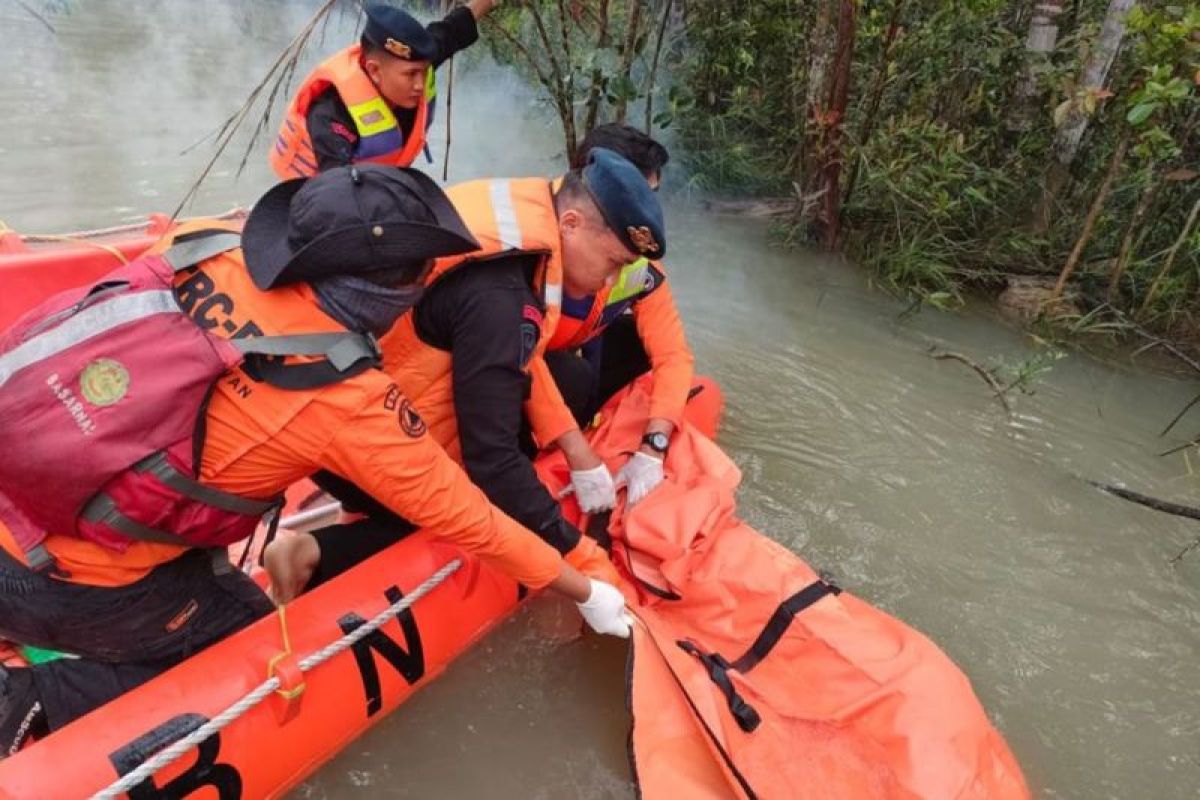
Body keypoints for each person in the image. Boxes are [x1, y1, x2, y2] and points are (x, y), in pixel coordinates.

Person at [0, 165, 631, 758]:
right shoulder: (342, 398)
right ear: (386, 299)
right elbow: (474, 519)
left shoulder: (205, 243)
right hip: (55, 575)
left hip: (26, 480)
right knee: (247, 650)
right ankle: (24, 704)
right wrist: (582, 585)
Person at [264, 148, 666, 595]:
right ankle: (313, 554)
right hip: (352, 429)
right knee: (466, 506)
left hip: (331, 386)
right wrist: (583, 561)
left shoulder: (516, 218)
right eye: (612, 263)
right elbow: (492, 461)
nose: (610, 283)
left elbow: (520, 356)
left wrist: (574, 448)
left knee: (565, 381)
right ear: (570, 223)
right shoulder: (501, 294)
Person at [533, 124, 693, 508]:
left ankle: (590, 428)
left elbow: (673, 355)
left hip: (561, 355)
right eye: (637, 194)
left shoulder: (639, 265)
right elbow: (514, 355)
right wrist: (574, 447)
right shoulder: (534, 240)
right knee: (571, 376)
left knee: (634, 344)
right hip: (506, 366)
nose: (647, 210)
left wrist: (654, 446)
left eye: (651, 197)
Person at [271, 0, 499, 178]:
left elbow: (450, 31)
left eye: (424, 71)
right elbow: (336, 194)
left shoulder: (415, 61)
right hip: (313, 197)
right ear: (375, 71)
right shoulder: (331, 116)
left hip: (379, 179)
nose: (420, 85)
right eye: (410, 75)